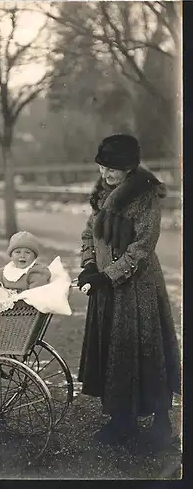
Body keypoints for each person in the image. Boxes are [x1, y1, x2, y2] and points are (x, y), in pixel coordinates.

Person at [77, 134, 181, 449]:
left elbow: (142, 247)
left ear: (130, 168)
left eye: (114, 169)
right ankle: (121, 418)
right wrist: (89, 266)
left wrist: (110, 276)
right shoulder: (100, 194)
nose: (107, 175)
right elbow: (88, 234)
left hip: (137, 287)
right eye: (103, 167)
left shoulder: (144, 196)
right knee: (115, 352)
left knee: (146, 351)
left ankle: (161, 421)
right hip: (107, 286)